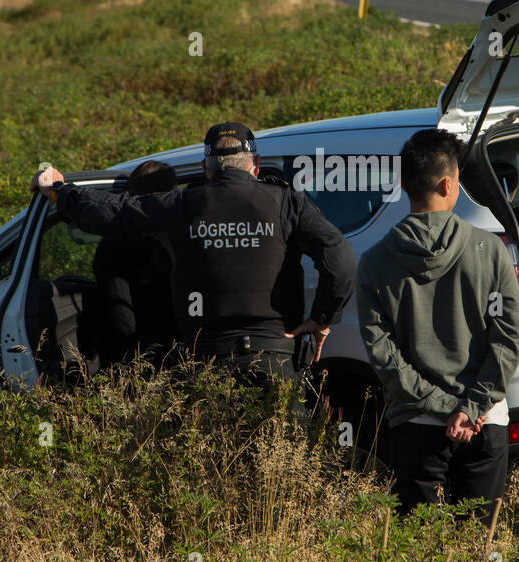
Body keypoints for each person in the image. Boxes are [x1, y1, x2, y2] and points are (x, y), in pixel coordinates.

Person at [30, 122, 355, 393]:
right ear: (254, 165)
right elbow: (339, 257)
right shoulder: (289, 203)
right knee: (280, 449)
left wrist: (60, 189)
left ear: (205, 169)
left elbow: (111, 212)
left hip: (211, 359)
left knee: (215, 458)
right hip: (277, 355)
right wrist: (322, 319)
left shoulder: (182, 205)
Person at [356, 129, 519, 522]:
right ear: (448, 183)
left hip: (416, 424)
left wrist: (443, 406)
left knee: (420, 551)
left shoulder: (374, 262)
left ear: (403, 184)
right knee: (478, 546)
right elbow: (509, 338)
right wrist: (471, 406)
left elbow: (384, 356)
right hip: (484, 422)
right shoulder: (490, 250)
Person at [91, 159, 178, 368]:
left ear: (131, 195)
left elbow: (120, 312)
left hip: (141, 354)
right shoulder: (186, 234)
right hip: (185, 344)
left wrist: (134, 360)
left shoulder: (115, 243)